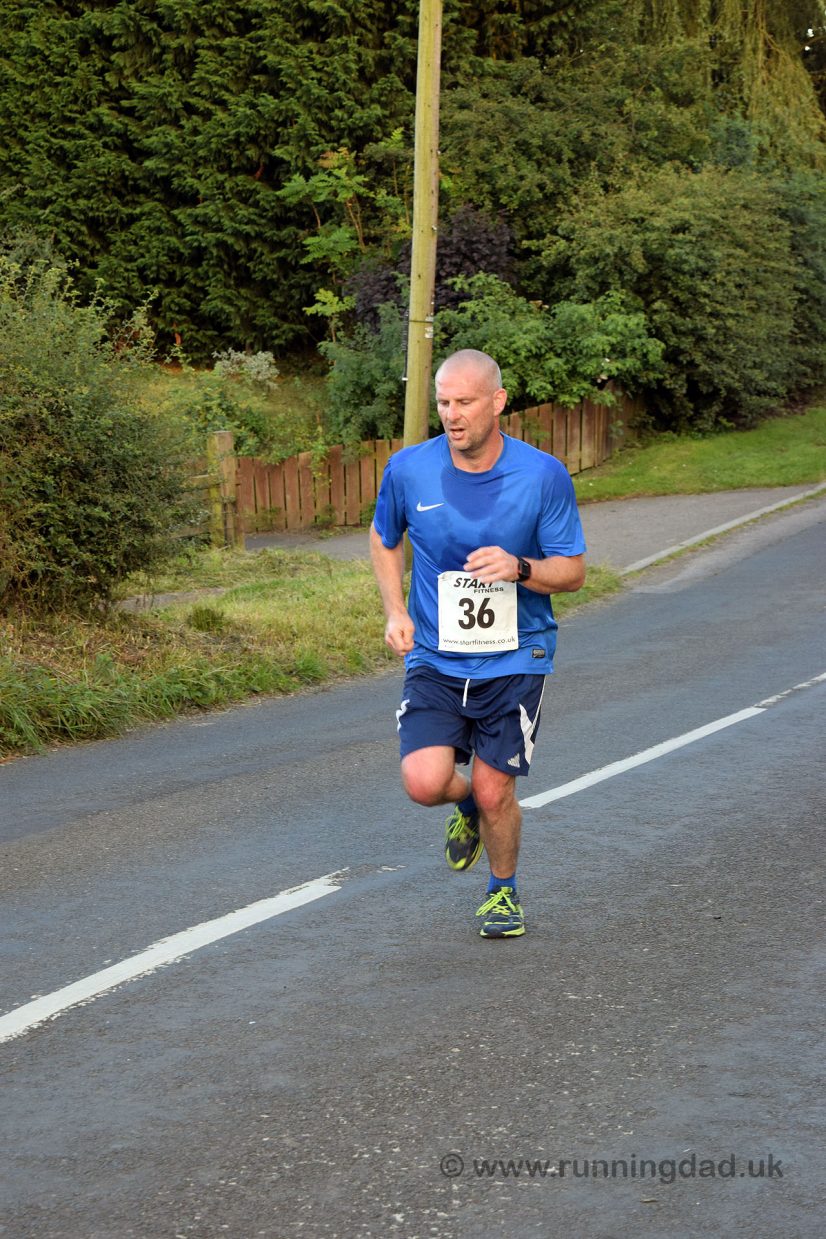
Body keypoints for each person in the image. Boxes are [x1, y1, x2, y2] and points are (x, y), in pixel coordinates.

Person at [370, 349, 586, 938]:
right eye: (443, 402)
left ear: (497, 401)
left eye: (464, 402)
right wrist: (394, 610)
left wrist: (519, 568)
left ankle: (501, 893)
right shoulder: (409, 469)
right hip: (436, 656)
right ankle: (463, 805)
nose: (452, 414)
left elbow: (572, 570)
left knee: (497, 791)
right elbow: (385, 536)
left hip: (516, 655)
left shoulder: (541, 475)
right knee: (424, 783)